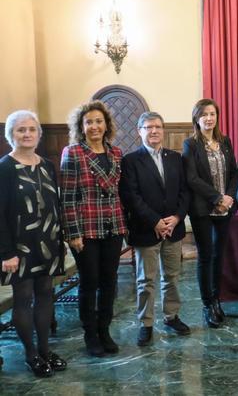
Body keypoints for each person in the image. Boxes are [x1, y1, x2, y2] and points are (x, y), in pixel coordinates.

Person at [0, 110, 67, 377]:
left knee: (46, 294)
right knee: (24, 298)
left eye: (31, 129)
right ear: (11, 135)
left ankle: (45, 350)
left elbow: (54, 204)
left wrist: (60, 240)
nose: (27, 134)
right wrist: (7, 252)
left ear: (39, 134)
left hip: (48, 241)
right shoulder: (4, 168)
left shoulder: (47, 165)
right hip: (20, 248)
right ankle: (31, 355)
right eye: (21, 130)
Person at [60, 101, 127, 357]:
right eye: (89, 122)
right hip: (86, 229)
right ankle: (90, 334)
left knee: (110, 282)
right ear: (81, 126)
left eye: (99, 121)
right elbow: (67, 197)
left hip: (113, 227)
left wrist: (125, 226)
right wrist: (72, 233)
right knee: (89, 283)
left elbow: (119, 192)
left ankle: (104, 330)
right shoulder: (73, 152)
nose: (94, 126)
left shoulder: (116, 153)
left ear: (106, 125)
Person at [120, 112, 191, 346]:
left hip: (173, 228)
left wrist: (177, 218)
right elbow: (131, 196)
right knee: (146, 280)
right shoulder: (130, 161)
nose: (154, 131)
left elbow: (185, 191)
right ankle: (146, 323)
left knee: (172, 276)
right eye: (148, 127)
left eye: (158, 127)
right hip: (146, 229)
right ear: (139, 131)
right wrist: (155, 221)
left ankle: (171, 316)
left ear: (163, 130)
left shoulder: (175, 158)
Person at [182, 99, 238, 328]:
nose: (209, 118)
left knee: (219, 256)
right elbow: (192, 178)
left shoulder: (225, 141)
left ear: (217, 117)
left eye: (212, 114)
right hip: (203, 209)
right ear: (197, 118)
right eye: (204, 114)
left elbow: (234, 173)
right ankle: (207, 304)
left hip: (225, 209)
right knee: (205, 256)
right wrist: (217, 198)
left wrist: (229, 198)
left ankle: (217, 300)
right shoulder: (191, 144)